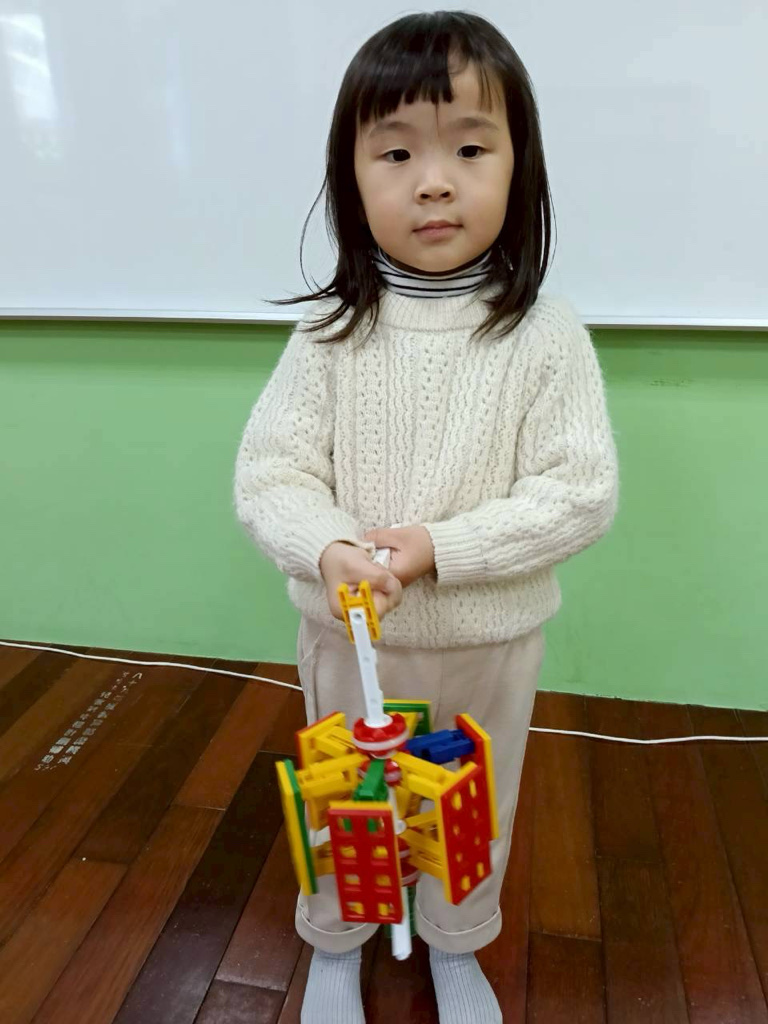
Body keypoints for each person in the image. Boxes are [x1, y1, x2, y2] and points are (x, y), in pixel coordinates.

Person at [234, 11, 618, 1023]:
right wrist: (328, 547)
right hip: (350, 638)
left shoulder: (546, 334)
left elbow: (580, 490)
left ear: (519, 168)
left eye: (470, 150)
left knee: (469, 812)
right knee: (348, 804)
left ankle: (454, 942)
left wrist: (440, 548)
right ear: (351, 178)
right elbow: (271, 474)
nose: (434, 182)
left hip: (491, 643)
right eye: (397, 152)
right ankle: (337, 943)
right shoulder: (328, 333)